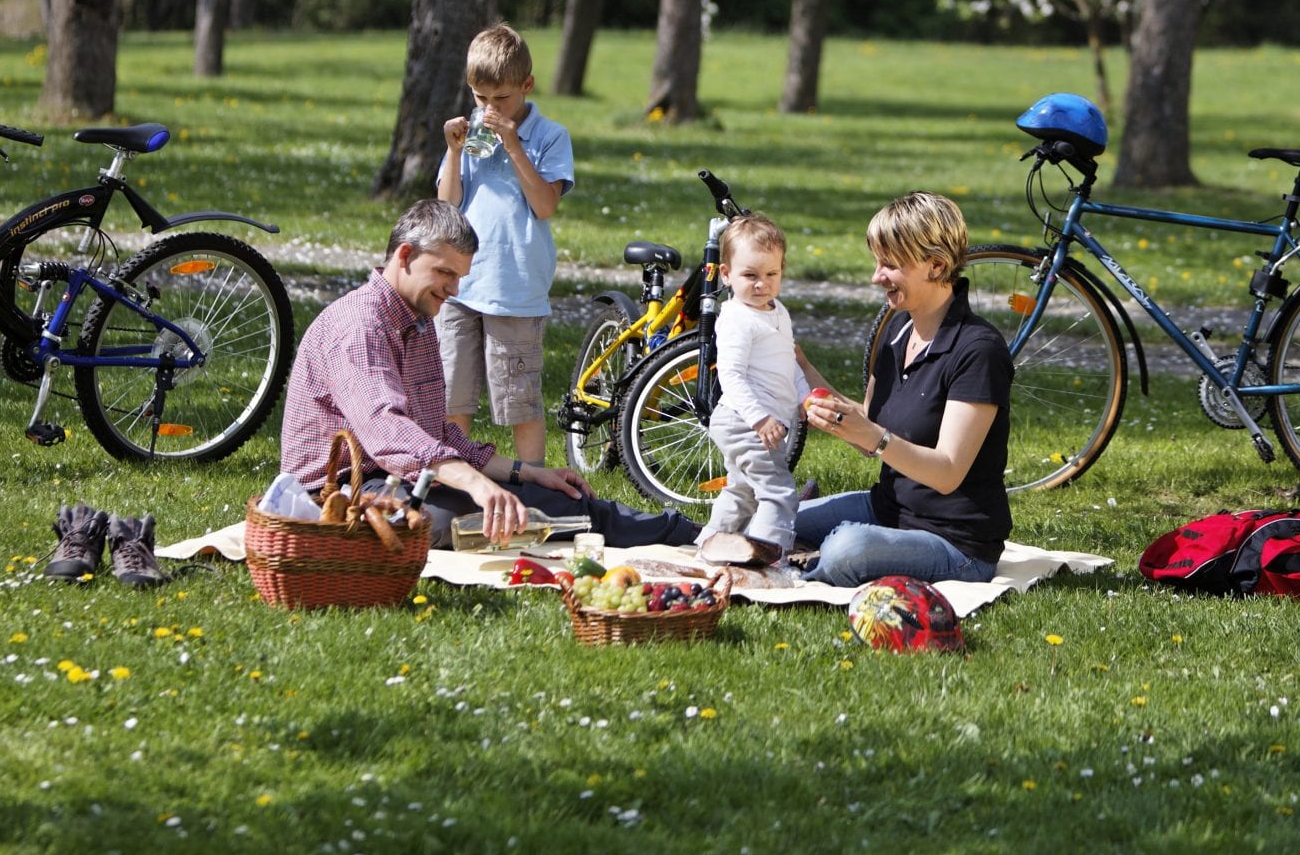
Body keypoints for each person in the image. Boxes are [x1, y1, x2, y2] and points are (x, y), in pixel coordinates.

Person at [280, 200, 699, 550]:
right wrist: (478, 485)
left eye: (460, 277)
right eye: (445, 273)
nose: (454, 290)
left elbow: (436, 435)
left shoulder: (418, 318)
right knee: (521, 512)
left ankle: (683, 534)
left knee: (543, 499)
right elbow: (388, 434)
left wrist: (524, 471)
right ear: (405, 255)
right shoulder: (359, 327)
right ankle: (683, 535)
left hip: (395, 479)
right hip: (343, 497)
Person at [794, 192, 1012, 586]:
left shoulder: (979, 350)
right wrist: (801, 369)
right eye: (878, 262)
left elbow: (947, 472)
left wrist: (874, 438)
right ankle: (806, 552)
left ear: (936, 265)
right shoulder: (898, 329)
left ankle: (806, 567)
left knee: (847, 548)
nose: (877, 277)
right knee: (777, 519)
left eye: (890, 265)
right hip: (888, 509)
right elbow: (869, 427)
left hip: (956, 544)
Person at [436, 23, 573, 467]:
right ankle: (453, 483)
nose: (490, 109)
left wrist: (513, 144)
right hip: (461, 286)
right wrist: (454, 152)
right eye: (481, 99)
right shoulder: (471, 133)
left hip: (514, 289)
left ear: (527, 86)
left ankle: (537, 486)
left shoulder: (549, 135)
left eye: (502, 99)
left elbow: (545, 205)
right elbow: (448, 204)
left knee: (520, 402)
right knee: (452, 395)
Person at [695, 213, 832, 568]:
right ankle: (769, 559)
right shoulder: (737, 319)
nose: (762, 284)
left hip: (755, 422)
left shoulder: (777, 312)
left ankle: (709, 544)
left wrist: (804, 397)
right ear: (726, 275)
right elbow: (731, 376)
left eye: (772, 275)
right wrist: (760, 419)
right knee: (778, 492)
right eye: (750, 275)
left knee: (742, 490)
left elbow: (788, 363)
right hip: (744, 421)